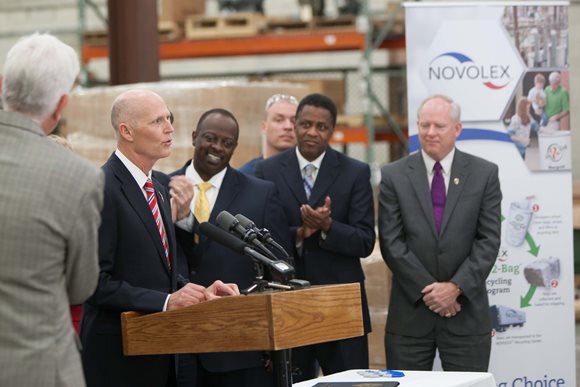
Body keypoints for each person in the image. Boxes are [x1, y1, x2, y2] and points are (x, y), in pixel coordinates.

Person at [80, 90, 239, 387]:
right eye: (157, 121)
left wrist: (198, 292)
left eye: (169, 118)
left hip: (160, 352)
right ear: (126, 131)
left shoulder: (159, 186)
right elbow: (95, 284)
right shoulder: (101, 187)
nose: (169, 128)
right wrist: (167, 300)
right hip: (117, 360)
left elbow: (157, 268)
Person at [0, 33, 103, 387]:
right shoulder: (79, 177)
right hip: (39, 367)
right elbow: (81, 286)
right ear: (60, 106)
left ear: (2, 86)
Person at [167, 108, 292, 387]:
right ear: (194, 137)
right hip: (176, 346)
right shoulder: (162, 187)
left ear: (235, 147)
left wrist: (270, 343)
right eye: (210, 138)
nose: (217, 148)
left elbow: (278, 270)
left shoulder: (261, 193)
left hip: (239, 350)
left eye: (227, 143)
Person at [254, 93, 375, 382]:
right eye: (305, 123)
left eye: (321, 127)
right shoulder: (266, 170)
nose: (312, 132)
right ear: (295, 125)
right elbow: (260, 240)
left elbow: (365, 241)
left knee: (351, 383)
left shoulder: (355, 172)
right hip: (290, 304)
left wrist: (328, 226)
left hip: (341, 305)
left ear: (332, 131)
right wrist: (299, 233)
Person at [378, 94, 502, 372]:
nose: (430, 133)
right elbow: (391, 242)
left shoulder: (484, 174)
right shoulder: (393, 176)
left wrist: (455, 288)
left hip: (466, 314)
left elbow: (488, 240)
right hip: (410, 318)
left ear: (457, 129)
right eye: (424, 125)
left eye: (439, 126)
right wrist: (432, 293)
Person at [239, 93, 298, 175]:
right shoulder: (246, 176)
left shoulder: (308, 175)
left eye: (294, 121)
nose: (288, 126)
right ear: (264, 127)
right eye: (279, 120)